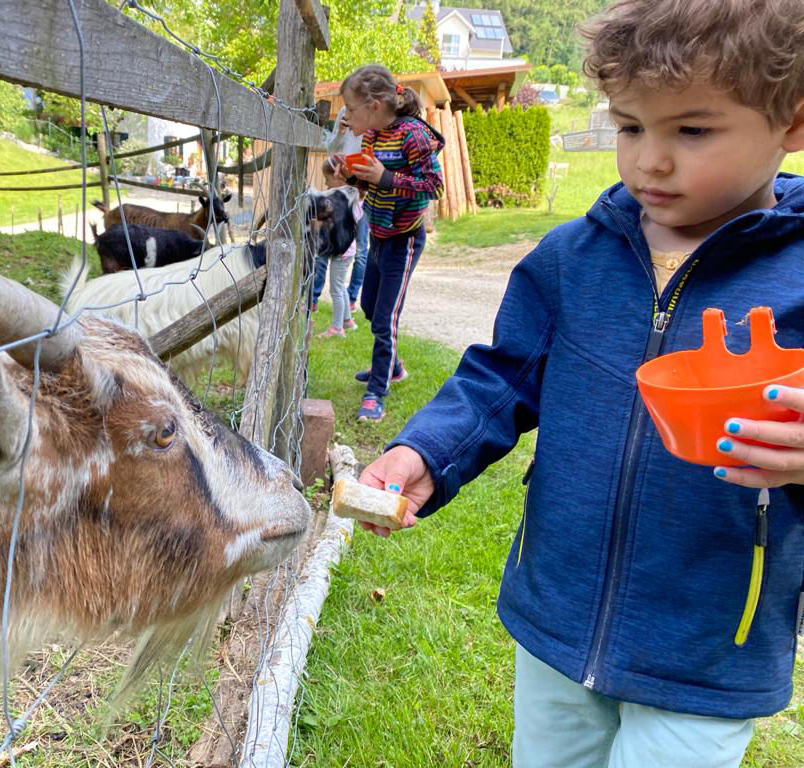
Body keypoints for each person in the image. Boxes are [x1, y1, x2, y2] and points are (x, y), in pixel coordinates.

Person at [356, 0, 804, 765]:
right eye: (630, 126)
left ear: (792, 123)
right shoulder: (574, 257)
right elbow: (502, 377)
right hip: (557, 610)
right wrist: (426, 451)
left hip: (708, 643)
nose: (648, 162)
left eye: (692, 131)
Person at [331, 65, 444, 422]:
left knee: (385, 317)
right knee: (367, 305)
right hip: (377, 235)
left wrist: (386, 176)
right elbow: (371, 185)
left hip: (404, 240)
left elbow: (433, 186)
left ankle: (376, 390)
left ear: (375, 105)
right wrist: (351, 176)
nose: (346, 116)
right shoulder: (371, 138)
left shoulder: (412, 135)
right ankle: (393, 366)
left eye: (351, 108)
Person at [316, 158, 363, 338]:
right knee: (340, 286)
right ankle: (347, 320)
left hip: (342, 252)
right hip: (345, 251)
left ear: (340, 178)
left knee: (335, 289)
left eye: (328, 178)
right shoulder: (351, 199)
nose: (327, 183)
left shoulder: (348, 202)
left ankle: (336, 328)